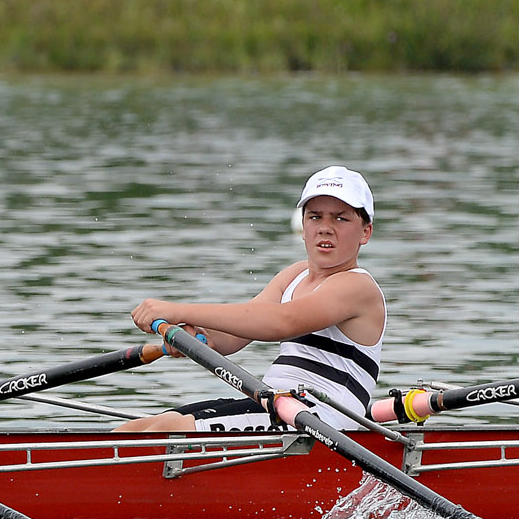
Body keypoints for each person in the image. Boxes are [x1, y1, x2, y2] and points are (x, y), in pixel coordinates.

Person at [115, 167, 386, 433]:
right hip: (277, 404)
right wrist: (198, 339)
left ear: (366, 232)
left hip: (324, 421)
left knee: (168, 429)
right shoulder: (294, 275)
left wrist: (175, 310)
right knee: (137, 429)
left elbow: (279, 323)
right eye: (315, 217)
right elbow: (237, 332)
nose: (325, 228)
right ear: (303, 227)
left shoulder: (356, 285)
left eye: (341, 219)